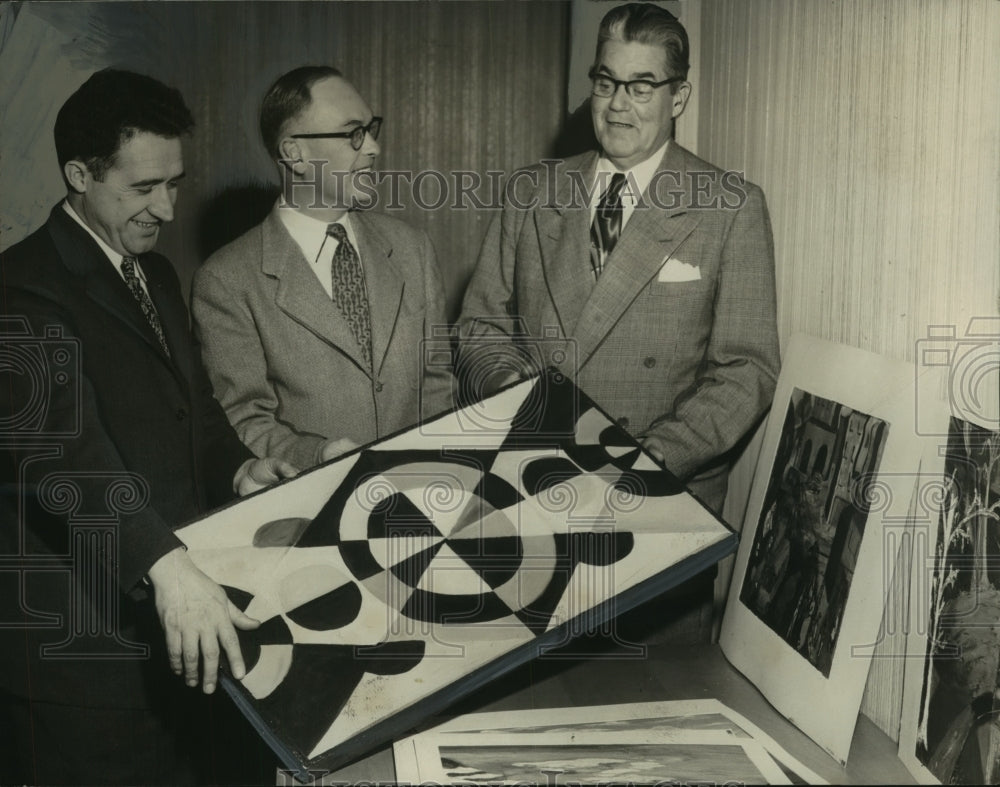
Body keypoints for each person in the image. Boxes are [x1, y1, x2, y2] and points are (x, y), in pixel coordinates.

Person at [0, 69, 296, 785]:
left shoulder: (155, 274)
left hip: (177, 635)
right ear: (79, 174)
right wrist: (167, 568)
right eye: (142, 188)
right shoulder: (18, 290)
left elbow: (194, 412)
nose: (165, 207)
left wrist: (241, 468)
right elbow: (67, 459)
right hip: (84, 666)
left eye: (174, 183)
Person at [456, 4, 779, 642]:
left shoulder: (729, 206)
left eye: (641, 86)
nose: (618, 105)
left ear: (679, 94)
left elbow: (747, 370)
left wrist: (650, 456)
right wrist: (511, 388)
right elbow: (478, 327)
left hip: (655, 517)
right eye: (606, 83)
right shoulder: (531, 191)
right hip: (526, 504)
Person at [192, 66, 454, 470]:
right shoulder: (226, 281)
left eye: (371, 128)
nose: (373, 148)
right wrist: (316, 456)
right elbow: (241, 418)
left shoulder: (411, 248)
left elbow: (438, 385)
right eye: (352, 133)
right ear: (294, 153)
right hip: (312, 510)